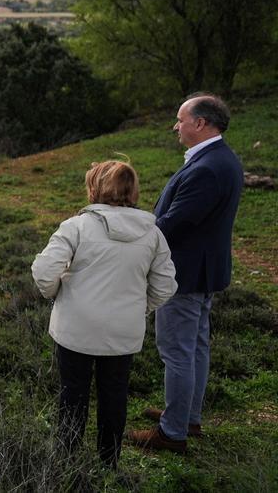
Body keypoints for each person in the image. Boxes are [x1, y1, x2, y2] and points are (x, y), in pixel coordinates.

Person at [32, 160, 177, 469]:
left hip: (76, 328)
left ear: (94, 188)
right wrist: (140, 307)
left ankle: (67, 461)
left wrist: (59, 296)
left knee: (73, 396)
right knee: (115, 396)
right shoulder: (152, 233)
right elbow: (165, 284)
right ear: (132, 190)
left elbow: (44, 272)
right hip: (123, 330)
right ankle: (108, 464)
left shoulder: (77, 226)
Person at [128, 94, 243, 454]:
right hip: (202, 269)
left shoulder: (208, 168)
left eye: (180, 120)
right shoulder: (221, 159)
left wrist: (133, 236)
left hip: (184, 274)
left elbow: (174, 224)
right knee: (195, 347)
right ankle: (186, 415)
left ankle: (173, 432)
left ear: (201, 124)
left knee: (177, 350)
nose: (176, 126)